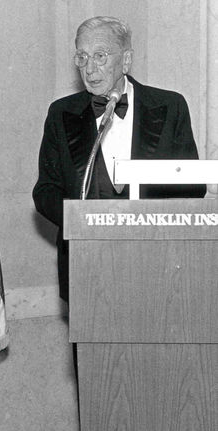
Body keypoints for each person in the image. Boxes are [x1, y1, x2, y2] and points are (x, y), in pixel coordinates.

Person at [32, 16, 206, 303]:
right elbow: (45, 190)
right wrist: (81, 222)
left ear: (126, 61)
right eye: (82, 57)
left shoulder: (170, 106)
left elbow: (192, 187)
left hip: (160, 272)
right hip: (86, 273)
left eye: (100, 56)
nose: (89, 68)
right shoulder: (60, 114)